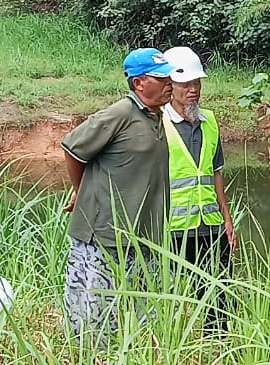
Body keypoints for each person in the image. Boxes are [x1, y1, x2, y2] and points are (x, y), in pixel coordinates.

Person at [61, 47, 175, 344]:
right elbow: (73, 149)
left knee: (148, 312)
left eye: (169, 78)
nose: (169, 84)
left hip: (146, 235)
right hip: (107, 235)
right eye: (160, 79)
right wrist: (80, 190)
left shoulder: (155, 116)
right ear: (138, 83)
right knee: (96, 317)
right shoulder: (118, 114)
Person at [160, 46, 237, 335]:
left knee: (219, 295)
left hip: (211, 226)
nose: (193, 90)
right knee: (175, 296)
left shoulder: (210, 122)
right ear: (170, 86)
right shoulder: (158, 123)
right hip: (173, 229)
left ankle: (218, 349)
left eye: (197, 83)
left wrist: (227, 219)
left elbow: (215, 174)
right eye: (185, 85)